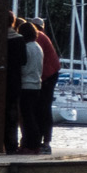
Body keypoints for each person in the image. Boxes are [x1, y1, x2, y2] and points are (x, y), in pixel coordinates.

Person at [30, 19, 61, 153]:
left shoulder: (38, 38)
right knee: (42, 108)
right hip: (49, 74)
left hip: (47, 75)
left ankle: (44, 142)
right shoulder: (43, 37)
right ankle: (42, 140)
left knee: (43, 108)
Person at [18, 20, 46, 152]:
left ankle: (32, 144)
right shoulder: (38, 47)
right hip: (37, 85)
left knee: (27, 117)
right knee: (32, 115)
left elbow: (24, 67)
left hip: (26, 85)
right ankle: (34, 143)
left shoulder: (26, 48)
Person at [3, 18, 29, 154]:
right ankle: (11, 145)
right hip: (14, 79)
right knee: (12, 113)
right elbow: (23, 60)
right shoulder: (19, 39)